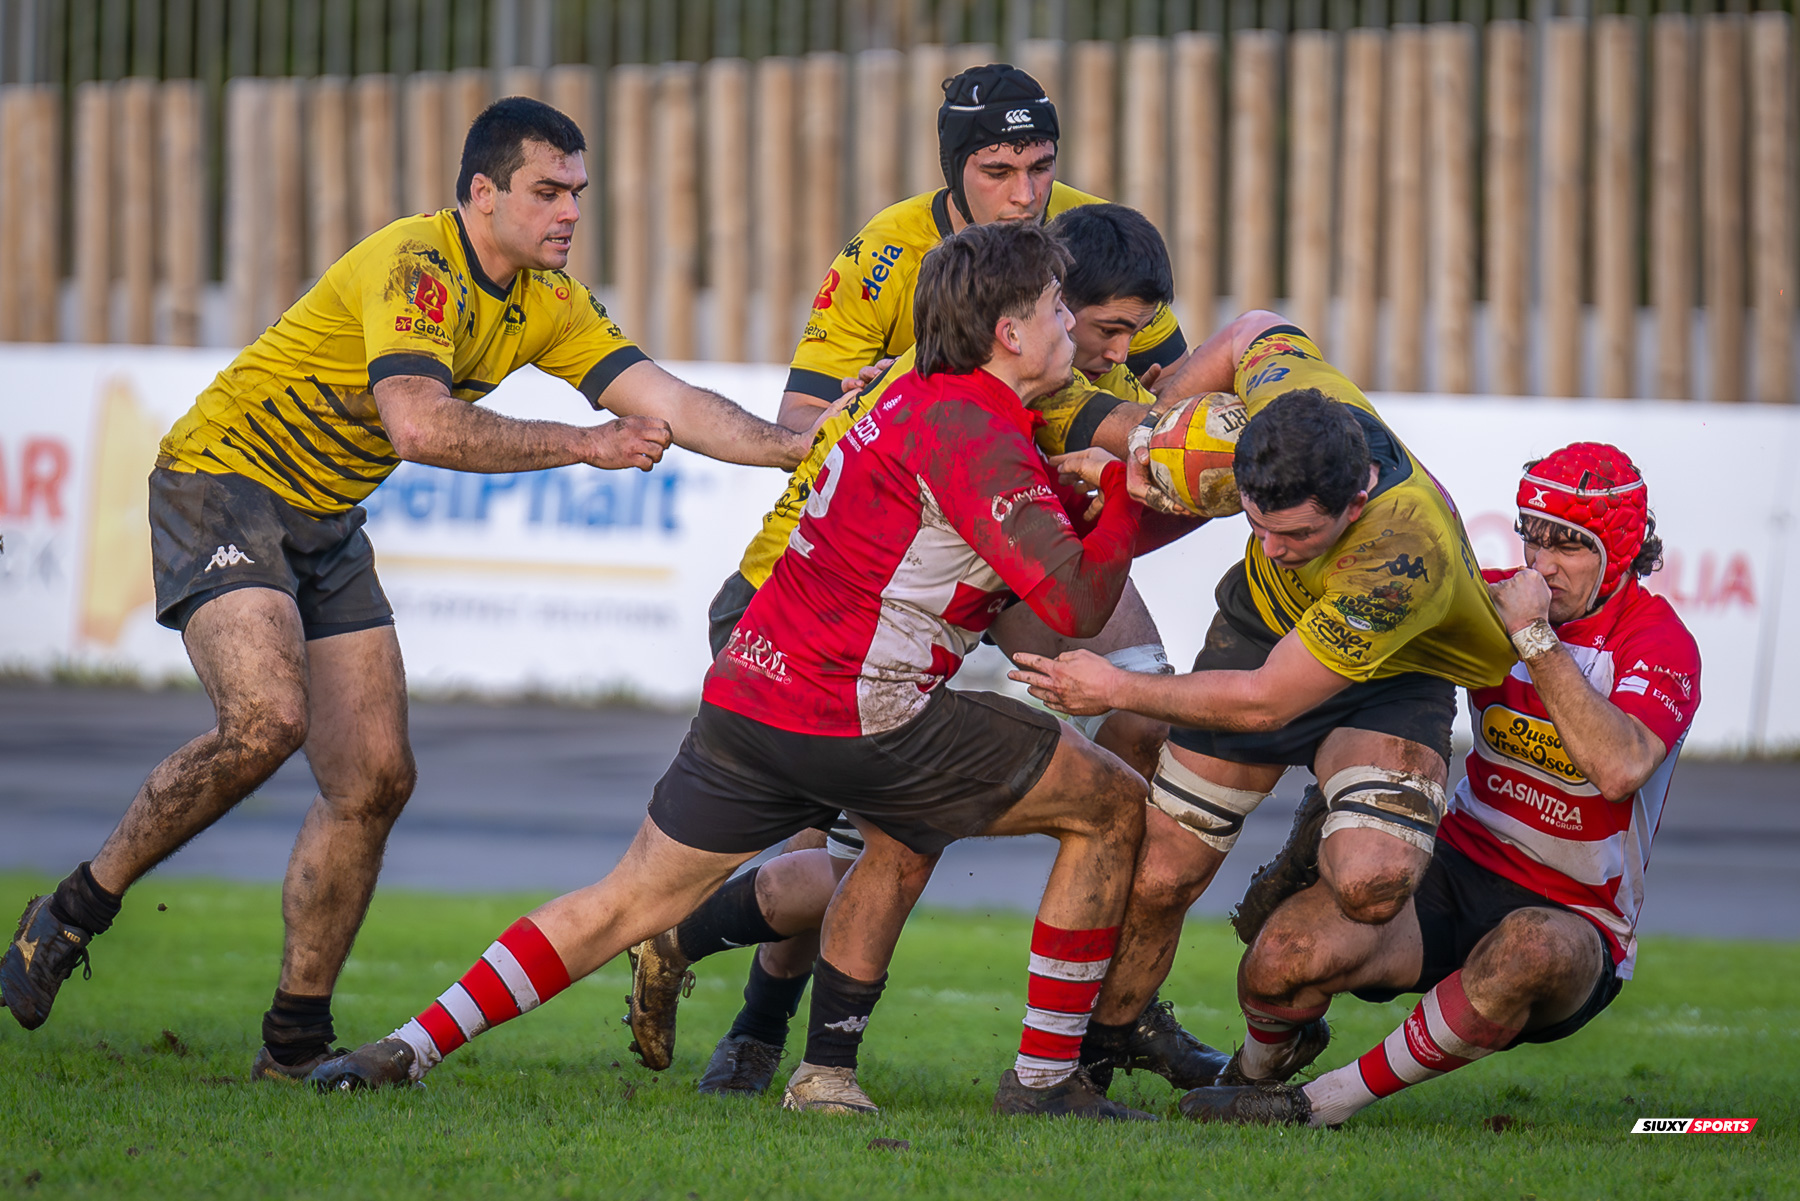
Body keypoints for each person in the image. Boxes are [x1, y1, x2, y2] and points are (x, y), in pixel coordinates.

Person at [0, 97, 830, 1079]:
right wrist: (584, 445)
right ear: (483, 194)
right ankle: (72, 910)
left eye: (578, 192)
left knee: (376, 780)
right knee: (267, 719)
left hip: (326, 518)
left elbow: (671, 400)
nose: (569, 211)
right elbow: (421, 427)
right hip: (224, 480)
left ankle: (292, 1042)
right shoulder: (417, 264)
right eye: (546, 191)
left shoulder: (549, 301)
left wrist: (795, 447)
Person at [312, 221, 1168, 1121]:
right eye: (1055, 310)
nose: (1072, 327)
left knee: (625, 899)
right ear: (1010, 333)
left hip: (753, 690)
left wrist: (1084, 498)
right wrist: (1118, 496)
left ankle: (407, 1046)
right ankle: (1039, 1081)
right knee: (1108, 801)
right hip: (862, 709)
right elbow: (1075, 607)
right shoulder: (978, 430)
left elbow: (963, 527)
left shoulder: (914, 391)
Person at [626, 205, 1225, 1098]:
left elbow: (1098, 519)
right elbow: (1094, 539)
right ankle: (753, 1019)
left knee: (950, 815)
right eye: (1100, 326)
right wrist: (1172, 466)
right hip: (818, 616)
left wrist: (1143, 483)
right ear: (1029, 321)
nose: (1115, 351)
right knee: (845, 859)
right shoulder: (1013, 383)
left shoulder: (1022, 366)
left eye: (1137, 335)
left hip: (927, 606)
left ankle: (1083, 1026)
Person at [1011, 313, 1523, 1090]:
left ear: (1356, 499)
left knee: (1371, 880)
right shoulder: (1291, 389)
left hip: (1395, 668)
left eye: (1299, 537)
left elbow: (1263, 704)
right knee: (1161, 875)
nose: (1276, 548)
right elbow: (1252, 327)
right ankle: (1110, 1040)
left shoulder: (1398, 552)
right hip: (1262, 631)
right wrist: (1154, 436)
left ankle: (1310, 864)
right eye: (1259, 526)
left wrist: (1113, 686)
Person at [1179, 444, 1698, 1126]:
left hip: (1579, 917)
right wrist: (1333, 805)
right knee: (1280, 957)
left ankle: (1320, 1105)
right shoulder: (1491, 600)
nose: (1542, 564)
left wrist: (1535, 639)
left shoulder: (1657, 641)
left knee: (1530, 948)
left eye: (1569, 546)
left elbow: (1619, 767)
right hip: (1457, 867)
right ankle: (1249, 1074)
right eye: (1532, 537)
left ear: (1621, 550)